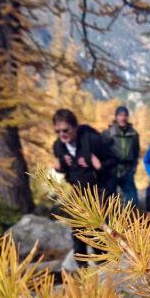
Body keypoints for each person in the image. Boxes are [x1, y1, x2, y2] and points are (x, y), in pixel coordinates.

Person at [51, 108, 114, 260]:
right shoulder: (58, 146)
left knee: (97, 224)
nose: (62, 135)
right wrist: (59, 168)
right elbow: (66, 170)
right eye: (57, 131)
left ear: (75, 128)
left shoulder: (92, 139)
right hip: (77, 188)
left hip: (98, 188)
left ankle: (102, 261)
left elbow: (113, 159)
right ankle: (81, 263)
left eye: (65, 130)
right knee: (78, 225)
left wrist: (98, 165)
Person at [102, 105, 141, 209]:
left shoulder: (134, 134)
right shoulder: (108, 133)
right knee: (109, 199)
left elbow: (136, 151)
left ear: (127, 117)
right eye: (120, 115)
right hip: (111, 170)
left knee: (132, 198)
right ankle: (108, 223)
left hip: (127, 170)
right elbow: (100, 151)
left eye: (125, 115)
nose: (122, 118)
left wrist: (134, 167)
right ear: (115, 117)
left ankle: (131, 222)